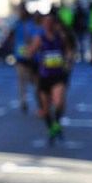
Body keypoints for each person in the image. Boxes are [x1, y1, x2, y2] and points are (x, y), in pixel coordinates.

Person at [28, 12, 73, 145]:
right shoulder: (39, 38)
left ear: (54, 24)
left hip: (57, 75)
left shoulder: (61, 37)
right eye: (45, 23)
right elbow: (30, 53)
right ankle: (51, 129)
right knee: (46, 107)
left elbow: (69, 51)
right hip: (44, 76)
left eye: (50, 23)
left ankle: (56, 124)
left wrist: (67, 61)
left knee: (59, 102)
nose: (48, 25)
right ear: (43, 25)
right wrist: (36, 63)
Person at [10, 4, 39, 112]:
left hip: (33, 58)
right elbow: (11, 37)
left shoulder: (33, 25)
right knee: (22, 80)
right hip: (20, 57)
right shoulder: (17, 25)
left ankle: (39, 101)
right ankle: (23, 101)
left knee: (34, 81)